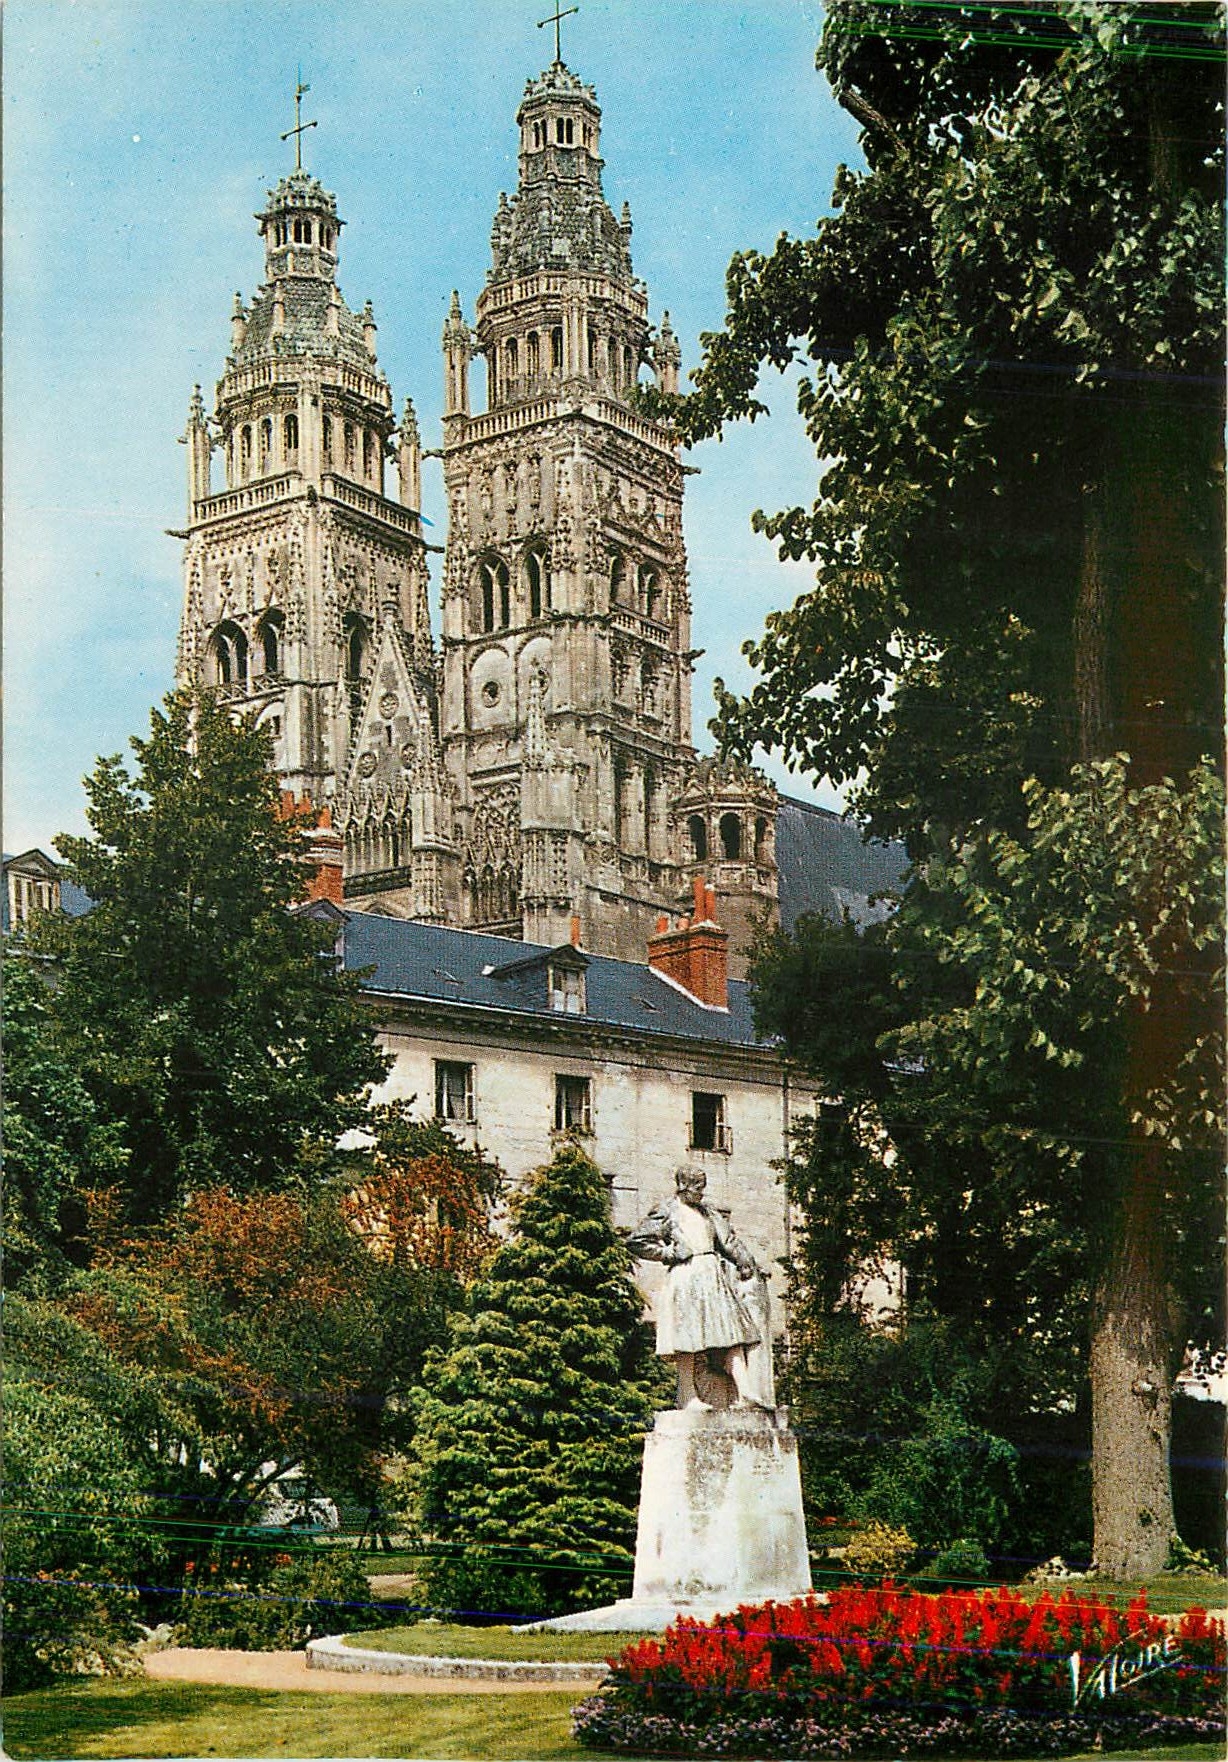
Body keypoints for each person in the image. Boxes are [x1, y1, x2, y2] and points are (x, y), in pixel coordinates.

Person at [626, 1165, 770, 1410]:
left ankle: (745, 1391)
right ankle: (687, 1395)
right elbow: (636, 1241)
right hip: (686, 1276)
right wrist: (669, 1253)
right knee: (688, 1337)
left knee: (732, 1333)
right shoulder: (667, 1210)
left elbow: (729, 1242)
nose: (701, 1193)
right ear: (683, 1186)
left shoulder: (708, 1212)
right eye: (697, 1188)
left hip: (714, 1278)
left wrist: (747, 1262)